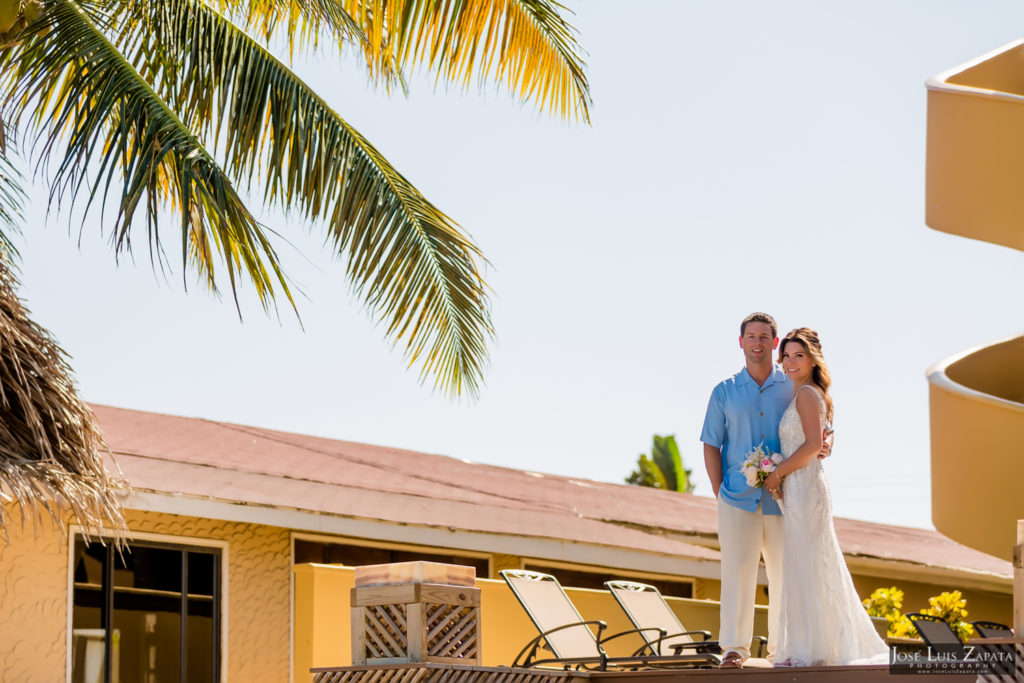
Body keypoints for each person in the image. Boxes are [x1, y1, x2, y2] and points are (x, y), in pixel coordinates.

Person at [763, 328, 889, 666]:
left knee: (808, 564)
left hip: (805, 488)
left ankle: (811, 652)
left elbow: (812, 445)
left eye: (797, 356)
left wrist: (777, 473)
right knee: (806, 564)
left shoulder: (806, 394)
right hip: (803, 486)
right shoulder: (807, 393)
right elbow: (822, 441)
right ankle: (812, 648)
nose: (789, 362)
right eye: (786, 356)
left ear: (812, 359)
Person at [700, 312, 791, 669]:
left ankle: (783, 650)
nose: (757, 343)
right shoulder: (724, 391)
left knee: (786, 573)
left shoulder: (792, 387)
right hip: (736, 498)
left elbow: (818, 425)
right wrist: (718, 489)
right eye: (751, 336)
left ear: (775, 342)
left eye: (764, 336)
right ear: (741, 342)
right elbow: (710, 442)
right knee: (737, 570)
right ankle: (735, 649)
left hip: (784, 498)